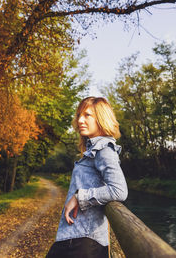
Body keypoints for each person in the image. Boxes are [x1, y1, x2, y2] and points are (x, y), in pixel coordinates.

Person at [46, 96, 128, 258]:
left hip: (83, 241)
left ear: (101, 118)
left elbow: (119, 190)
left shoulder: (104, 149)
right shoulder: (93, 150)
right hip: (75, 237)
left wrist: (79, 197)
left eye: (87, 115)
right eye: (79, 116)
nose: (80, 120)